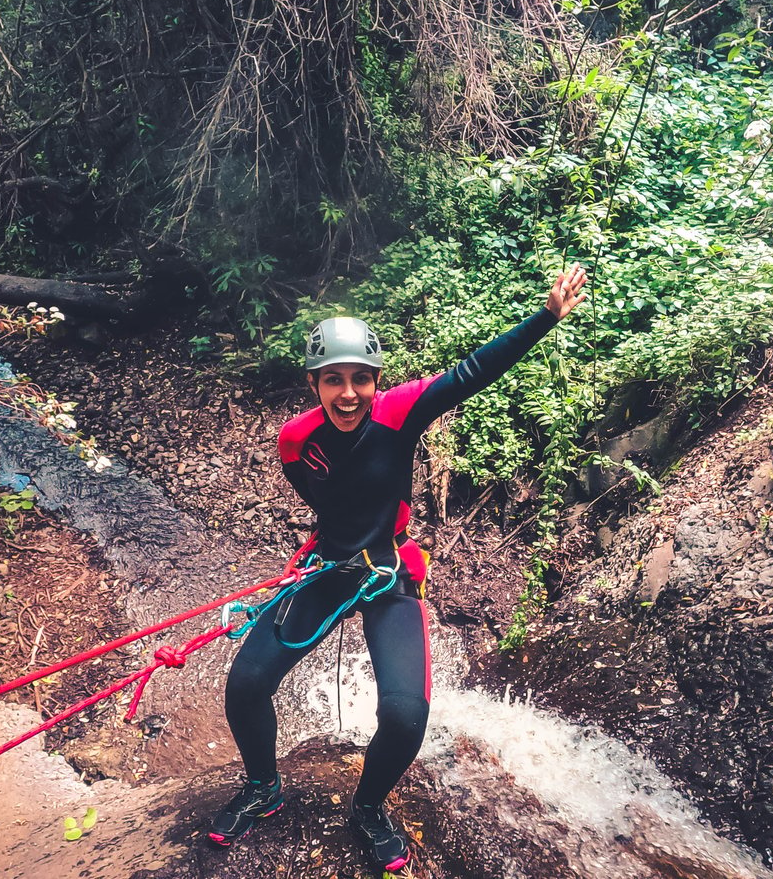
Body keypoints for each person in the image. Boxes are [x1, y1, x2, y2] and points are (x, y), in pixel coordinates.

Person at [210, 264, 588, 874]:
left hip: (389, 578)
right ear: (314, 384)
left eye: (361, 378)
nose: (349, 393)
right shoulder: (295, 442)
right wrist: (326, 552)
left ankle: (368, 808)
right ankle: (263, 789)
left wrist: (545, 316)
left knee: (406, 713)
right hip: (327, 571)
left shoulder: (400, 412)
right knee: (246, 684)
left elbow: (473, 371)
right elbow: (334, 505)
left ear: (377, 380)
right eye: (333, 380)